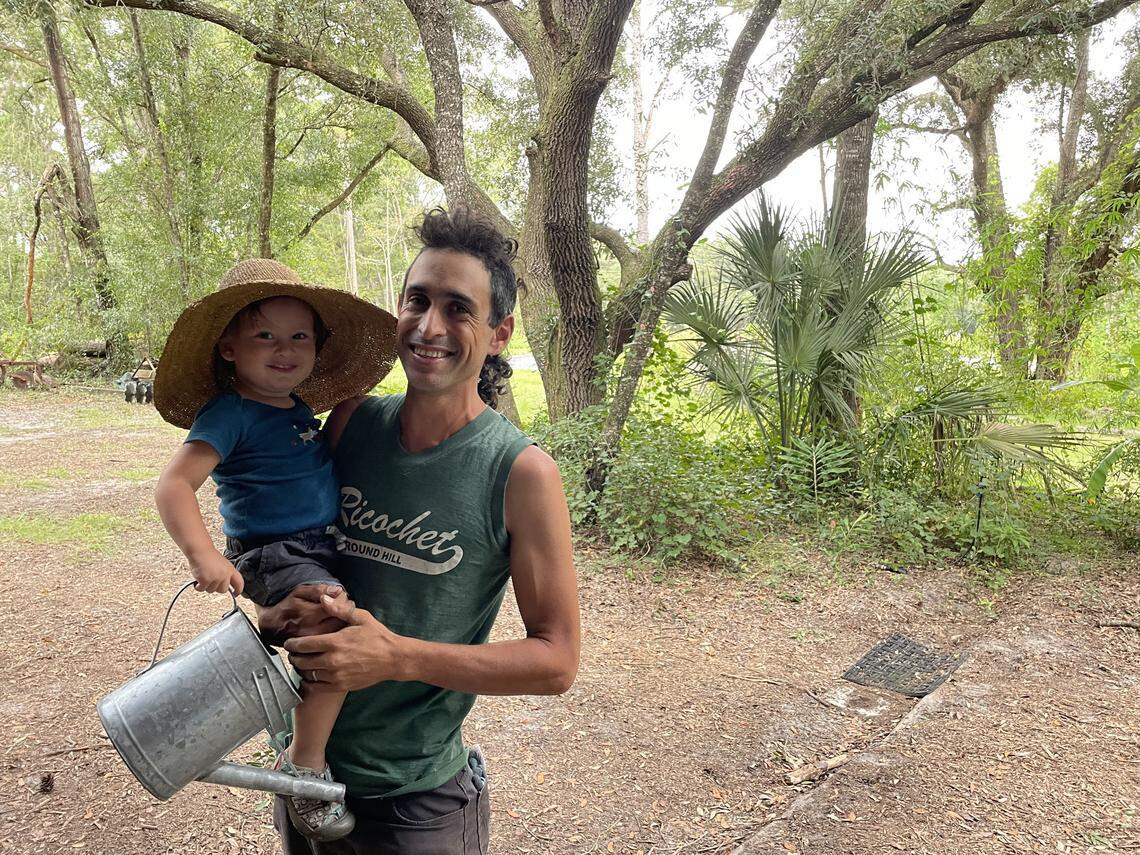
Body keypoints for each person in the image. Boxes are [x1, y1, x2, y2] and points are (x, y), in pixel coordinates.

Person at [256, 206, 581, 854]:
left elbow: (557, 660)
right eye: (418, 300)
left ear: (498, 332)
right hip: (305, 778)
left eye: (458, 308)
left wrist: (397, 656)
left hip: (415, 804)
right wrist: (271, 616)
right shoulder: (350, 424)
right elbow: (296, 556)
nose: (430, 325)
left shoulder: (520, 473)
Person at [152, 259, 397, 842]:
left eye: (299, 337)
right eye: (264, 335)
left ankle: (270, 623)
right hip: (273, 551)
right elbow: (173, 485)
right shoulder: (229, 412)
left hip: (321, 546)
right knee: (335, 629)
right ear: (230, 348)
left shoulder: (296, 409)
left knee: (350, 615)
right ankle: (303, 765)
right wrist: (203, 557)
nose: (283, 349)